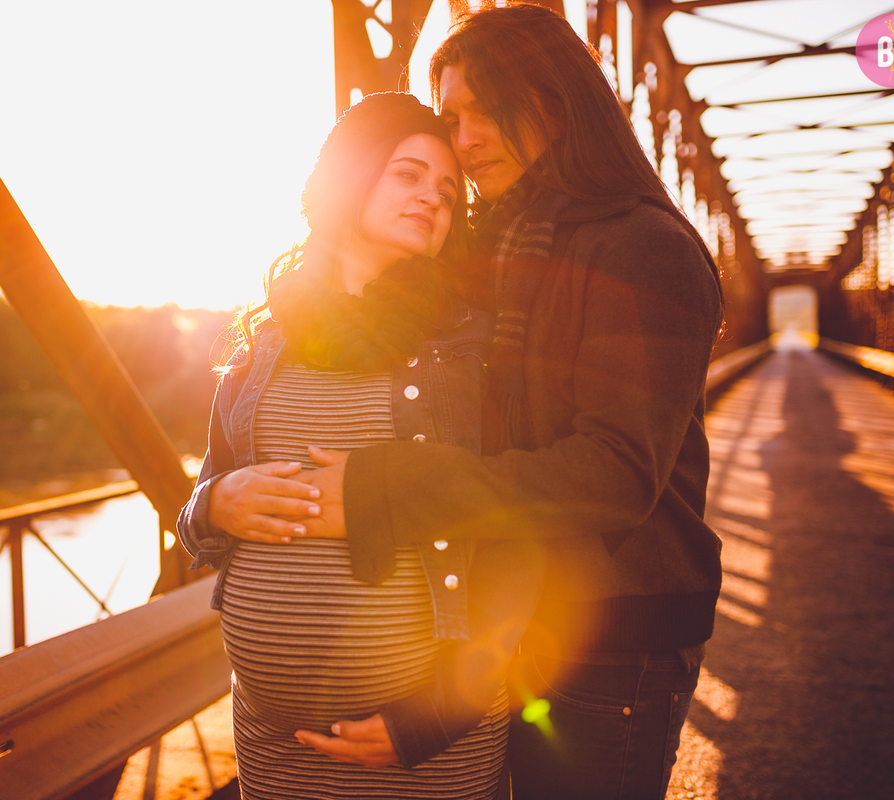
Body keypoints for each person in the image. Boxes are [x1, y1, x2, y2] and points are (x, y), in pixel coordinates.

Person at [280, 5, 726, 798]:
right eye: (450, 116)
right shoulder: (502, 249)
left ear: (554, 102)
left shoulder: (645, 249)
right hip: (513, 621)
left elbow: (614, 477)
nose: (464, 137)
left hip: (611, 645)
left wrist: (386, 489)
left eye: (483, 109)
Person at [177, 92, 543, 799]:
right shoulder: (263, 347)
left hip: (427, 745)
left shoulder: (476, 355)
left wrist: (439, 715)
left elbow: (522, 538)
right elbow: (199, 505)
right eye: (407, 174)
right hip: (275, 743)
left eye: (446, 189)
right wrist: (217, 501)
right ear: (349, 180)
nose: (432, 199)